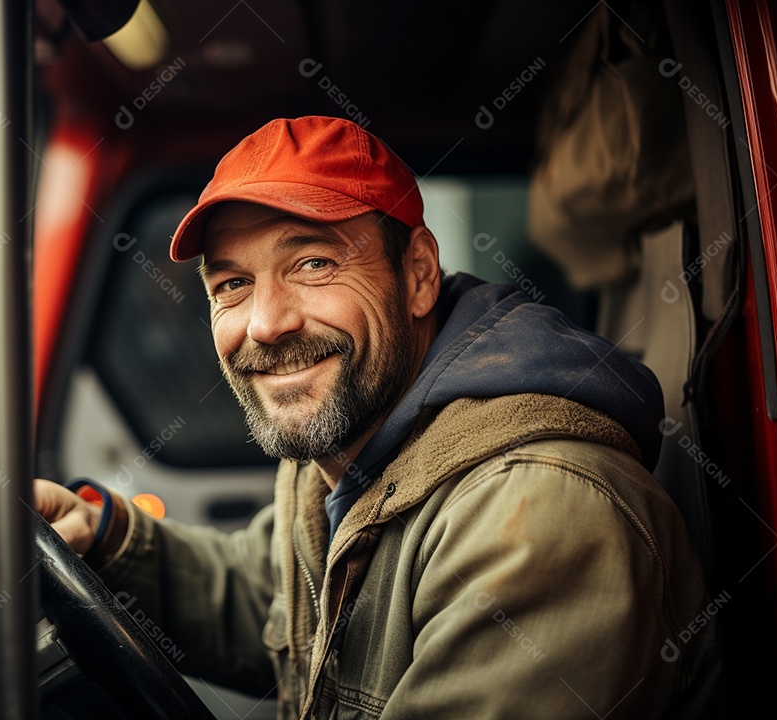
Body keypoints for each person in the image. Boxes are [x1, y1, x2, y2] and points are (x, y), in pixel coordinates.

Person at [35, 115, 722, 718]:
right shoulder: (348, 453)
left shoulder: (540, 512)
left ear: (420, 274)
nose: (266, 325)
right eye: (233, 285)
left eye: (312, 263)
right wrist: (103, 539)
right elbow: (269, 600)